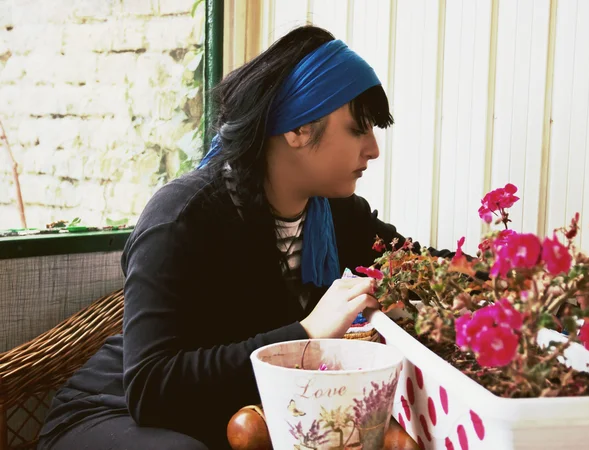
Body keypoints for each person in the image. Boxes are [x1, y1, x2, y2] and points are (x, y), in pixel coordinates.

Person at [37, 25, 452, 450]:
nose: (373, 149)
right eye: (358, 128)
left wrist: (506, 271)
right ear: (299, 130)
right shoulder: (183, 217)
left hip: (231, 418)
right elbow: (150, 388)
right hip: (111, 415)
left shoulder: (335, 214)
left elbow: (424, 268)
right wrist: (305, 334)